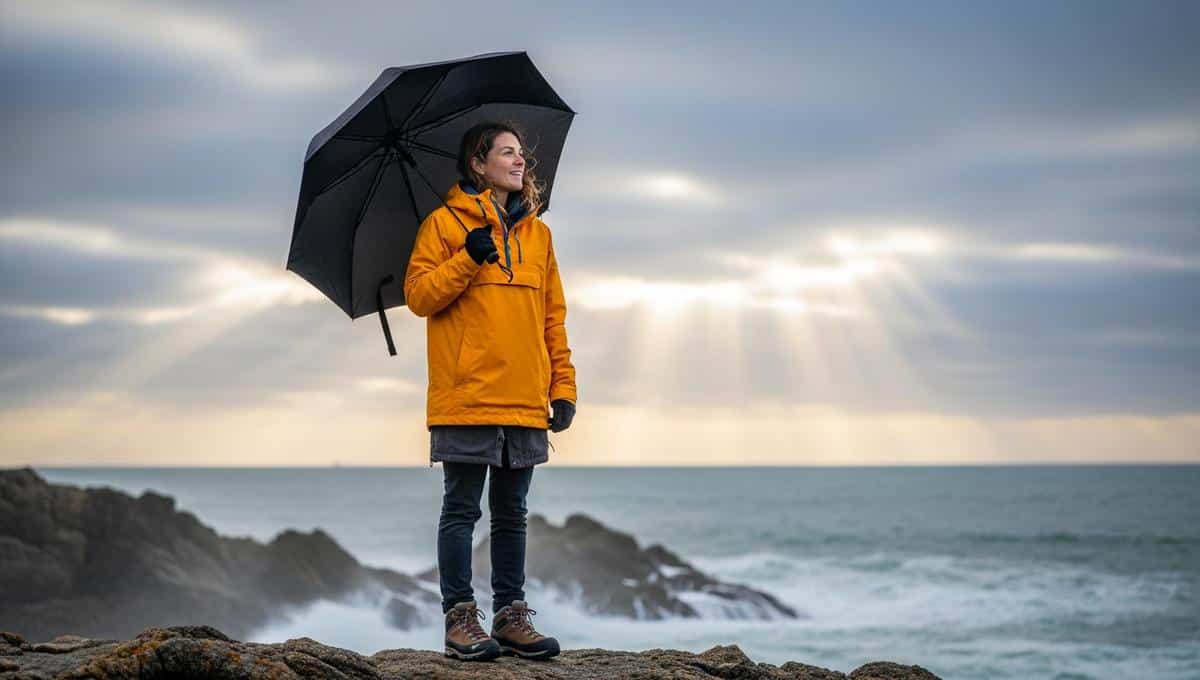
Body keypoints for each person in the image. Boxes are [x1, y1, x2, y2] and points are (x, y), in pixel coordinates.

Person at [403, 120, 577, 661]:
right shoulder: (443, 225)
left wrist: (564, 386)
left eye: (521, 153)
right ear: (479, 164)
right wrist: (468, 257)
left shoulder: (539, 235)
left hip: (525, 398)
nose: (519, 160)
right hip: (466, 394)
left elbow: (553, 318)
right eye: (506, 152)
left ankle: (510, 617)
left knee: (513, 514)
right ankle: (460, 620)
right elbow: (419, 296)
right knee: (461, 510)